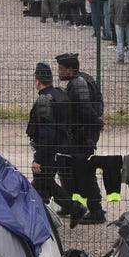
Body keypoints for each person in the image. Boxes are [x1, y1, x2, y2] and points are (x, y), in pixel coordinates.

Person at [26, 62, 85, 223]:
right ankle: (42, 214)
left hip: (49, 151)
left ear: (38, 81)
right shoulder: (60, 94)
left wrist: (38, 158)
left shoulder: (45, 100)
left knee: (43, 181)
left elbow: (46, 133)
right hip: (61, 148)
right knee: (42, 184)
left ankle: (74, 208)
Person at [55, 53, 105, 225]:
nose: (59, 72)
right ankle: (70, 204)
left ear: (70, 70)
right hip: (79, 136)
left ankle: (96, 211)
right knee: (68, 169)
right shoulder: (83, 80)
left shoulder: (78, 85)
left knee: (85, 173)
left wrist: (97, 123)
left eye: (61, 69)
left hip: (82, 138)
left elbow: (85, 109)